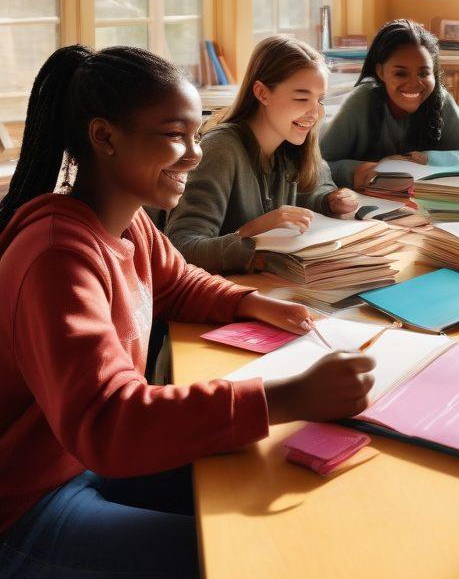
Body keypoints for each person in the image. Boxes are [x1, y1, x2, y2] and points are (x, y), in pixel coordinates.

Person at [0, 45, 374, 578]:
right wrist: (290, 395)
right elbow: (109, 422)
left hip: (83, 465)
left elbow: (178, 283)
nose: (195, 154)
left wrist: (252, 301)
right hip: (29, 504)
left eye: (196, 134)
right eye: (175, 135)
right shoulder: (56, 254)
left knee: (269, 480)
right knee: (243, 555)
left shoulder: (129, 223)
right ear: (104, 137)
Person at [167, 36, 357, 274]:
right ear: (262, 93)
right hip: (225, 295)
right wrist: (252, 231)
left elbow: (316, 189)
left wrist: (331, 200)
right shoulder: (222, 149)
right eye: (301, 98)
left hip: (269, 286)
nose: (315, 112)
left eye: (320, 100)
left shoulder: (292, 139)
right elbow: (180, 248)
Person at [320, 19, 459, 190]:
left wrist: (424, 159)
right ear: (380, 72)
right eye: (400, 73)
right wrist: (360, 171)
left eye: (424, 73)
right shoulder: (362, 100)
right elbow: (316, 167)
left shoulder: (440, 99)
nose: (415, 83)